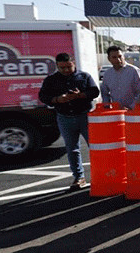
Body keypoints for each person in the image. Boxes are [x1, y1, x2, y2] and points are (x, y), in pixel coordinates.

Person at [38, 53, 100, 191]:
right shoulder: (51, 80)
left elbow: (95, 92)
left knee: (95, 148)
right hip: (64, 117)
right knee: (72, 149)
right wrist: (57, 99)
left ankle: (100, 175)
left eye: (68, 67)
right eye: (62, 68)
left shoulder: (84, 76)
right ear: (57, 66)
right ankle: (79, 177)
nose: (66, 70)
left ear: (74, 63)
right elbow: (43, 96)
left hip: (85, 116)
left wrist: (80, 95)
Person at [99, 45, 140, 109]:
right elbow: (105, 93)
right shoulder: (107, 74)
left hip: (134, 112)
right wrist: (107, 106)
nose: (118, 60)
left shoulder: (134, 71)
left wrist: (132, 106)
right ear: (109, 59)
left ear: (124, 57)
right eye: (114, 57)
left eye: (120, 56)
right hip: (116, 112)